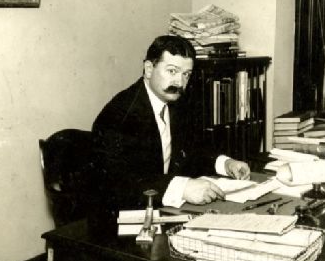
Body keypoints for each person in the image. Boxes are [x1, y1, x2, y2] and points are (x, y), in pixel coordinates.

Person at [90, 34, 250, 211]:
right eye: (172, 71)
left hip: (163, 207)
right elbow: (118, 184)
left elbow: (192, 151)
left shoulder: (176, 102)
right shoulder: (118, 115)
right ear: (149, 69)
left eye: (186, 74)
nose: (180, 82)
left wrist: (225, 164)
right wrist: (182, 188)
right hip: (121, 216)